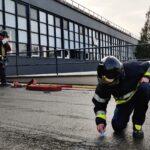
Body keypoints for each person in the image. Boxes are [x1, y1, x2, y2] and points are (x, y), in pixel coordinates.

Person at [92, 56, 150, 138]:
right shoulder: (103, 84)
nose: (106, 84)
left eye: (110, 82)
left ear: (119, 75)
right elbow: (99, 104)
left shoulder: (132, 67)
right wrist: (100, 122)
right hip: (124, 104)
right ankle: (121, 117)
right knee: (117, 127)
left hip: (138, 96)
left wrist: (147, 77)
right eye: (103, 81)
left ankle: (137, 126)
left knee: (146, 88)